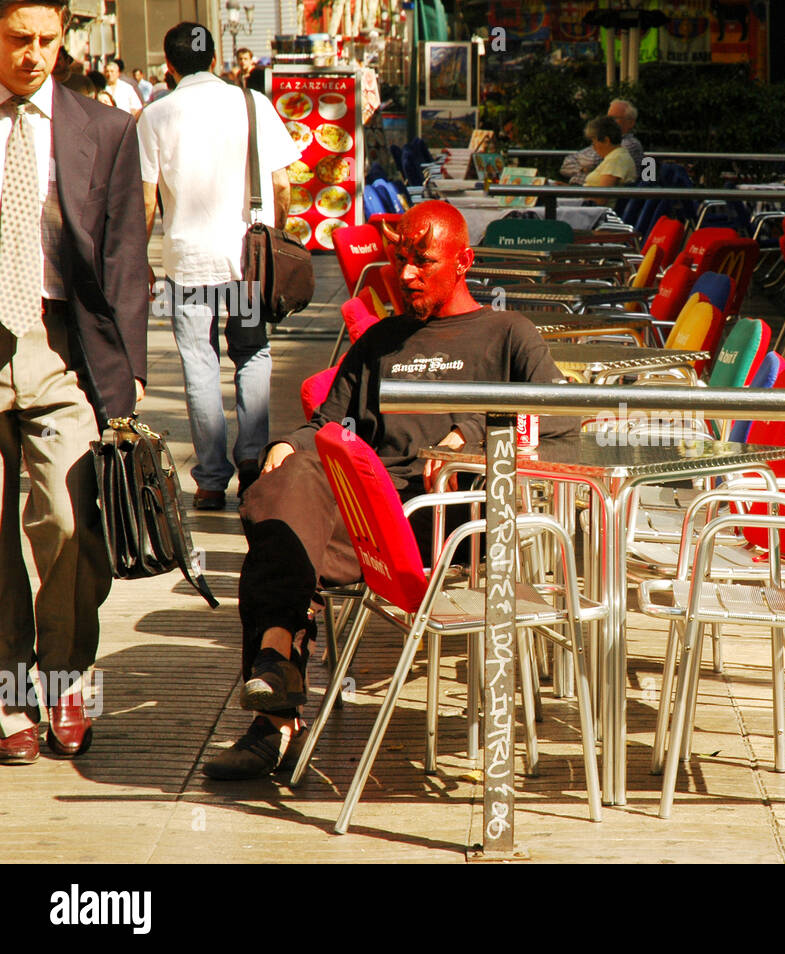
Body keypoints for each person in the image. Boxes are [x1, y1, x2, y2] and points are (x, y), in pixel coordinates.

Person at [202, 201, 577, 779]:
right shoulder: (380, 340)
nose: (404, 276)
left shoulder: (507, 334)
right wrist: (291, 444)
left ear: (464, 262)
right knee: (282, 483)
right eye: (399, 259)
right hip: (361, 511)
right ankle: (277, 673)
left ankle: (273, 714)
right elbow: (328, 423)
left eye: (422, 261)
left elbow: (562, 417)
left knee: (288, 531)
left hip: (442, 520)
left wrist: (473, 432)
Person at [0, 0, 150, 764]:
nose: (34, 55)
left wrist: (129, 375)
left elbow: (126, 260)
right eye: (18, 40)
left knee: (66, 518)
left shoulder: (108, 129)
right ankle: (7, 699)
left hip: (63, 349)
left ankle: (68, 679)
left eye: (48, 41)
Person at [137, 22, 298, 511]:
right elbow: (284, 184)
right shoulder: (254, 104)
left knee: (200, 364)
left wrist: (140, 257)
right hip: (246, 264)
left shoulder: (155, 115)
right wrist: (276, 233)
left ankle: (209, 480)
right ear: (214, 60)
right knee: (252, 352)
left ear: (169, 66)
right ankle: (252, 462)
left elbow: (146, 200)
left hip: (187, 264)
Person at [559, 98, 644, 185]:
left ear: (631, 122)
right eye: (607, 118)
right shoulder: (605, 143)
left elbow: (594, 160)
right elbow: (568, 162)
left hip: (589, 193)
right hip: (582, 191)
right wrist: (582, 169)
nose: (608, 122)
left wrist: (584, 168)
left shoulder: (625, 148)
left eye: (613, 118)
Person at [581, 114, 636, 202]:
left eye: (594, 143)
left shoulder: (616, 159)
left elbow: (601, 199)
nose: (593, 148)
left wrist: (573, 198)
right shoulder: (615, 156)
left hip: (594, 212)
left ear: (606, 141)